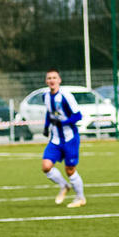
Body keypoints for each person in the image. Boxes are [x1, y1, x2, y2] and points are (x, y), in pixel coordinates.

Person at [41, 69, 86, 208]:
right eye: (49, 78)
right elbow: (49, 113)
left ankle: (80, 198)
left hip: (69, 138)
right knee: (46, 166)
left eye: (54, 77)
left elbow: (78, 116)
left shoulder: (66, 96)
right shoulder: (45, 96)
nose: (52, 80)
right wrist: (46, 126)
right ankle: (64, 186)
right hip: (55, 138)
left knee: (70, 170)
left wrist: (63, 122)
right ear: (46, 81)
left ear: (59, 80)